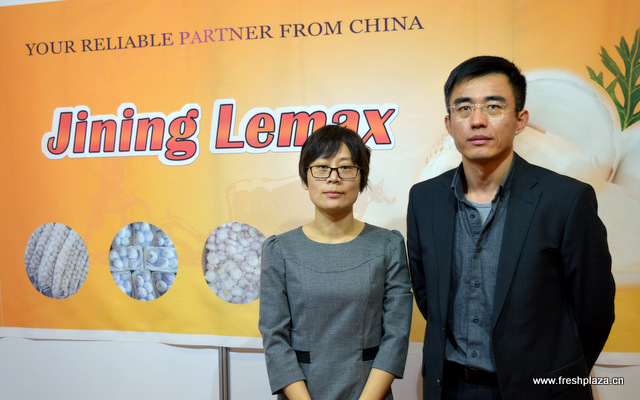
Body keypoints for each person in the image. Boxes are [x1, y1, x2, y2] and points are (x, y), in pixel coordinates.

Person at [406, 56, 616, 400]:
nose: (477, 120)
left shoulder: (566, 199)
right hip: (452, 388)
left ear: (520, 121)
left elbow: (594, 311)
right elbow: (429, 298)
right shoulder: (424, 199)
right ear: (449, 123)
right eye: (464, 108)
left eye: (493, 106)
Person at [259, 124, 413, 400]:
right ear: (305, 179)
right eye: (321, 167)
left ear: (361, 179)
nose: (333, 178)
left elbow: (397, 335)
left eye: (346, 168)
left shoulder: (388, 245)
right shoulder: (279, 250)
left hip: (368, 392)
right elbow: (275, 338)